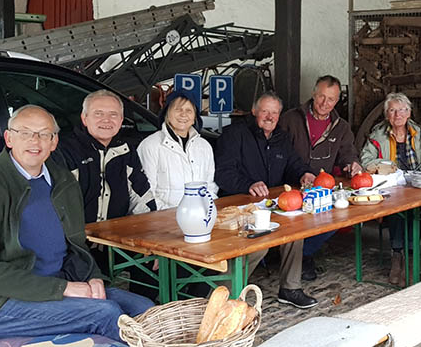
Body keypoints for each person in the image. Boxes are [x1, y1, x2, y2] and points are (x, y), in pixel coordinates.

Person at [0, 105, 153, 342]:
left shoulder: (63, 179)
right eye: (25, 133)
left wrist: (92, 277)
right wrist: (63, 289)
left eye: (44, 134)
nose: (34, 141)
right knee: (105, 313)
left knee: (144, 307)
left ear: (54, 142)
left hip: (59, 283)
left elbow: (75, 246)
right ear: (9, 138)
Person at [215, 93, 318, 309]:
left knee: (295, 231)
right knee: (258, 245)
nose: (269, 117)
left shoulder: (281, 137)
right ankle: (225, 297)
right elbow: (222, 173)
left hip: (271, 205)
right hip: (240, 206)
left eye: (274, 112)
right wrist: (248, 185)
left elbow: (293, 164)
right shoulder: (234, 134)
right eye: (265, 111)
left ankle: (290, 288)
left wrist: (305, 174)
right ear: (254, 111)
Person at [278, 75, 362, 281]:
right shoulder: (291, 118)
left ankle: (304, 254)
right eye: (321, 97)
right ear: (314, 94)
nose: (325, 103)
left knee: (337, 217)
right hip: (289, 185)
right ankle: (290, 256)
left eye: (331, 99)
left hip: (322, 188)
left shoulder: (341, 126)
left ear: (337, 101)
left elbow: (347, 153)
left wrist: (352, 163)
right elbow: (278, 150)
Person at [360, 92, 421, 284]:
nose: (397, 115)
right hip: (392, 187)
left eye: (402, 110)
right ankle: (397, 256)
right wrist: (386, 166)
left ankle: (410, 259)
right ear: (387, 115)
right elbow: (366, 160)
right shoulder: (378, 136)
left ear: (409, 113)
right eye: (392, 111)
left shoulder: (419, 135)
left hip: (417, 185)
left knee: (416, 210)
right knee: (396, 210)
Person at [54, 90, 156, 223]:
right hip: (74, 239)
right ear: (84, 118)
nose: (106, 120)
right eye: (98, 114)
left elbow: (141, 197)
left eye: (113, 115)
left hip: (115, 237)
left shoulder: (126, 151)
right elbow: (56, 204)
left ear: (121, 120)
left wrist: (149, 228)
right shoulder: (64, 150)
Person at [138, 90, 217, 209]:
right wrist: (173, 215)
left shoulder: (204, 146)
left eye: (189, 110)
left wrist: (210, 210)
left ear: (195, 117)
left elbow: (210, 186)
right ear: (167, 113)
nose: (183, 114)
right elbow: (145, 193)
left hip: (199, 217)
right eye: (178, 109)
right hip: (163, 219)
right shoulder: (150, 145)